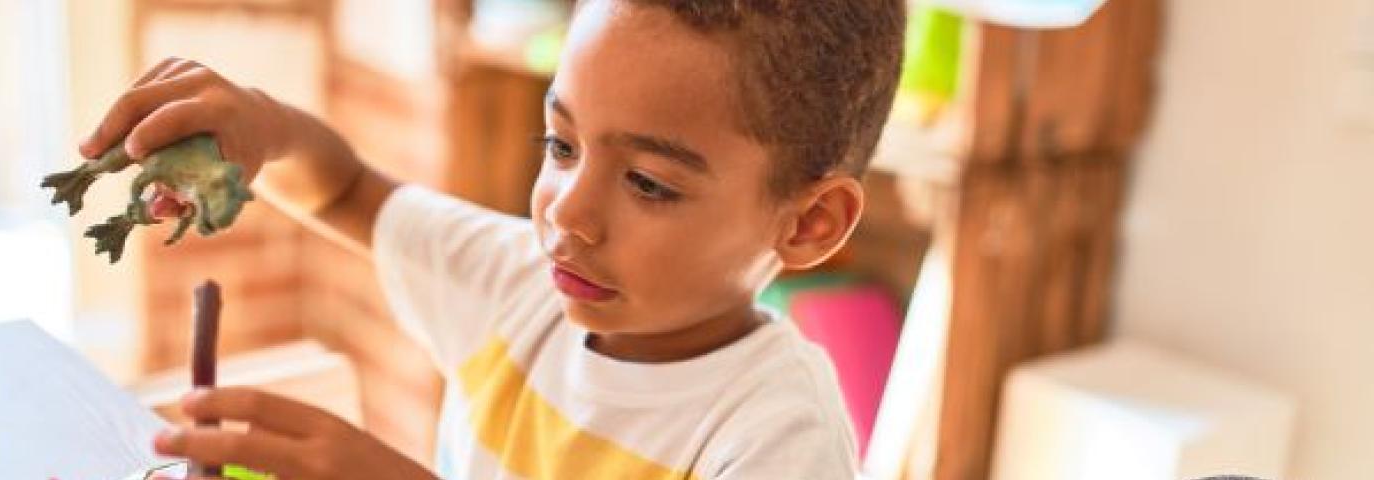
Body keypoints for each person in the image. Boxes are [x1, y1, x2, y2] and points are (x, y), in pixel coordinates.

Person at [86, 0, 906, 478]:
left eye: (649, 183)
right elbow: (341, 189)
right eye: (562, 146)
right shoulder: (521, 286)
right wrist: (265, 127)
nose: (565, 215)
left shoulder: (773, 436)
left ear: (808, 224)